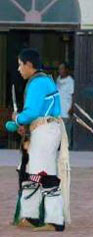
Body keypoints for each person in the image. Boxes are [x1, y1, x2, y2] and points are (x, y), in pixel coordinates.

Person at [12, 48, 70, 231]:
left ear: (29, 65)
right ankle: (31, 216)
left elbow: (33, 112)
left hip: (45, 131)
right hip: (44, 130)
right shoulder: (44, 80)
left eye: (21, 65)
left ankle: (54, 220)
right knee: (34, 173)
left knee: (45, 174)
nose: (19, 69)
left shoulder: (38, 83)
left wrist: (17, 118)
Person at [57, 62, 74, 150]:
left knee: (66, 132)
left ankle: (68, 149)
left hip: (66, 110)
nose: (60, 71)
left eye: (62, 68)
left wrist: (72, 107)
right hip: (59, 111)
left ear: (67, 70)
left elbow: (73, 95)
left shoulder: (70, 81)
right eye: (59, 69)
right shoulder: (58, 79)